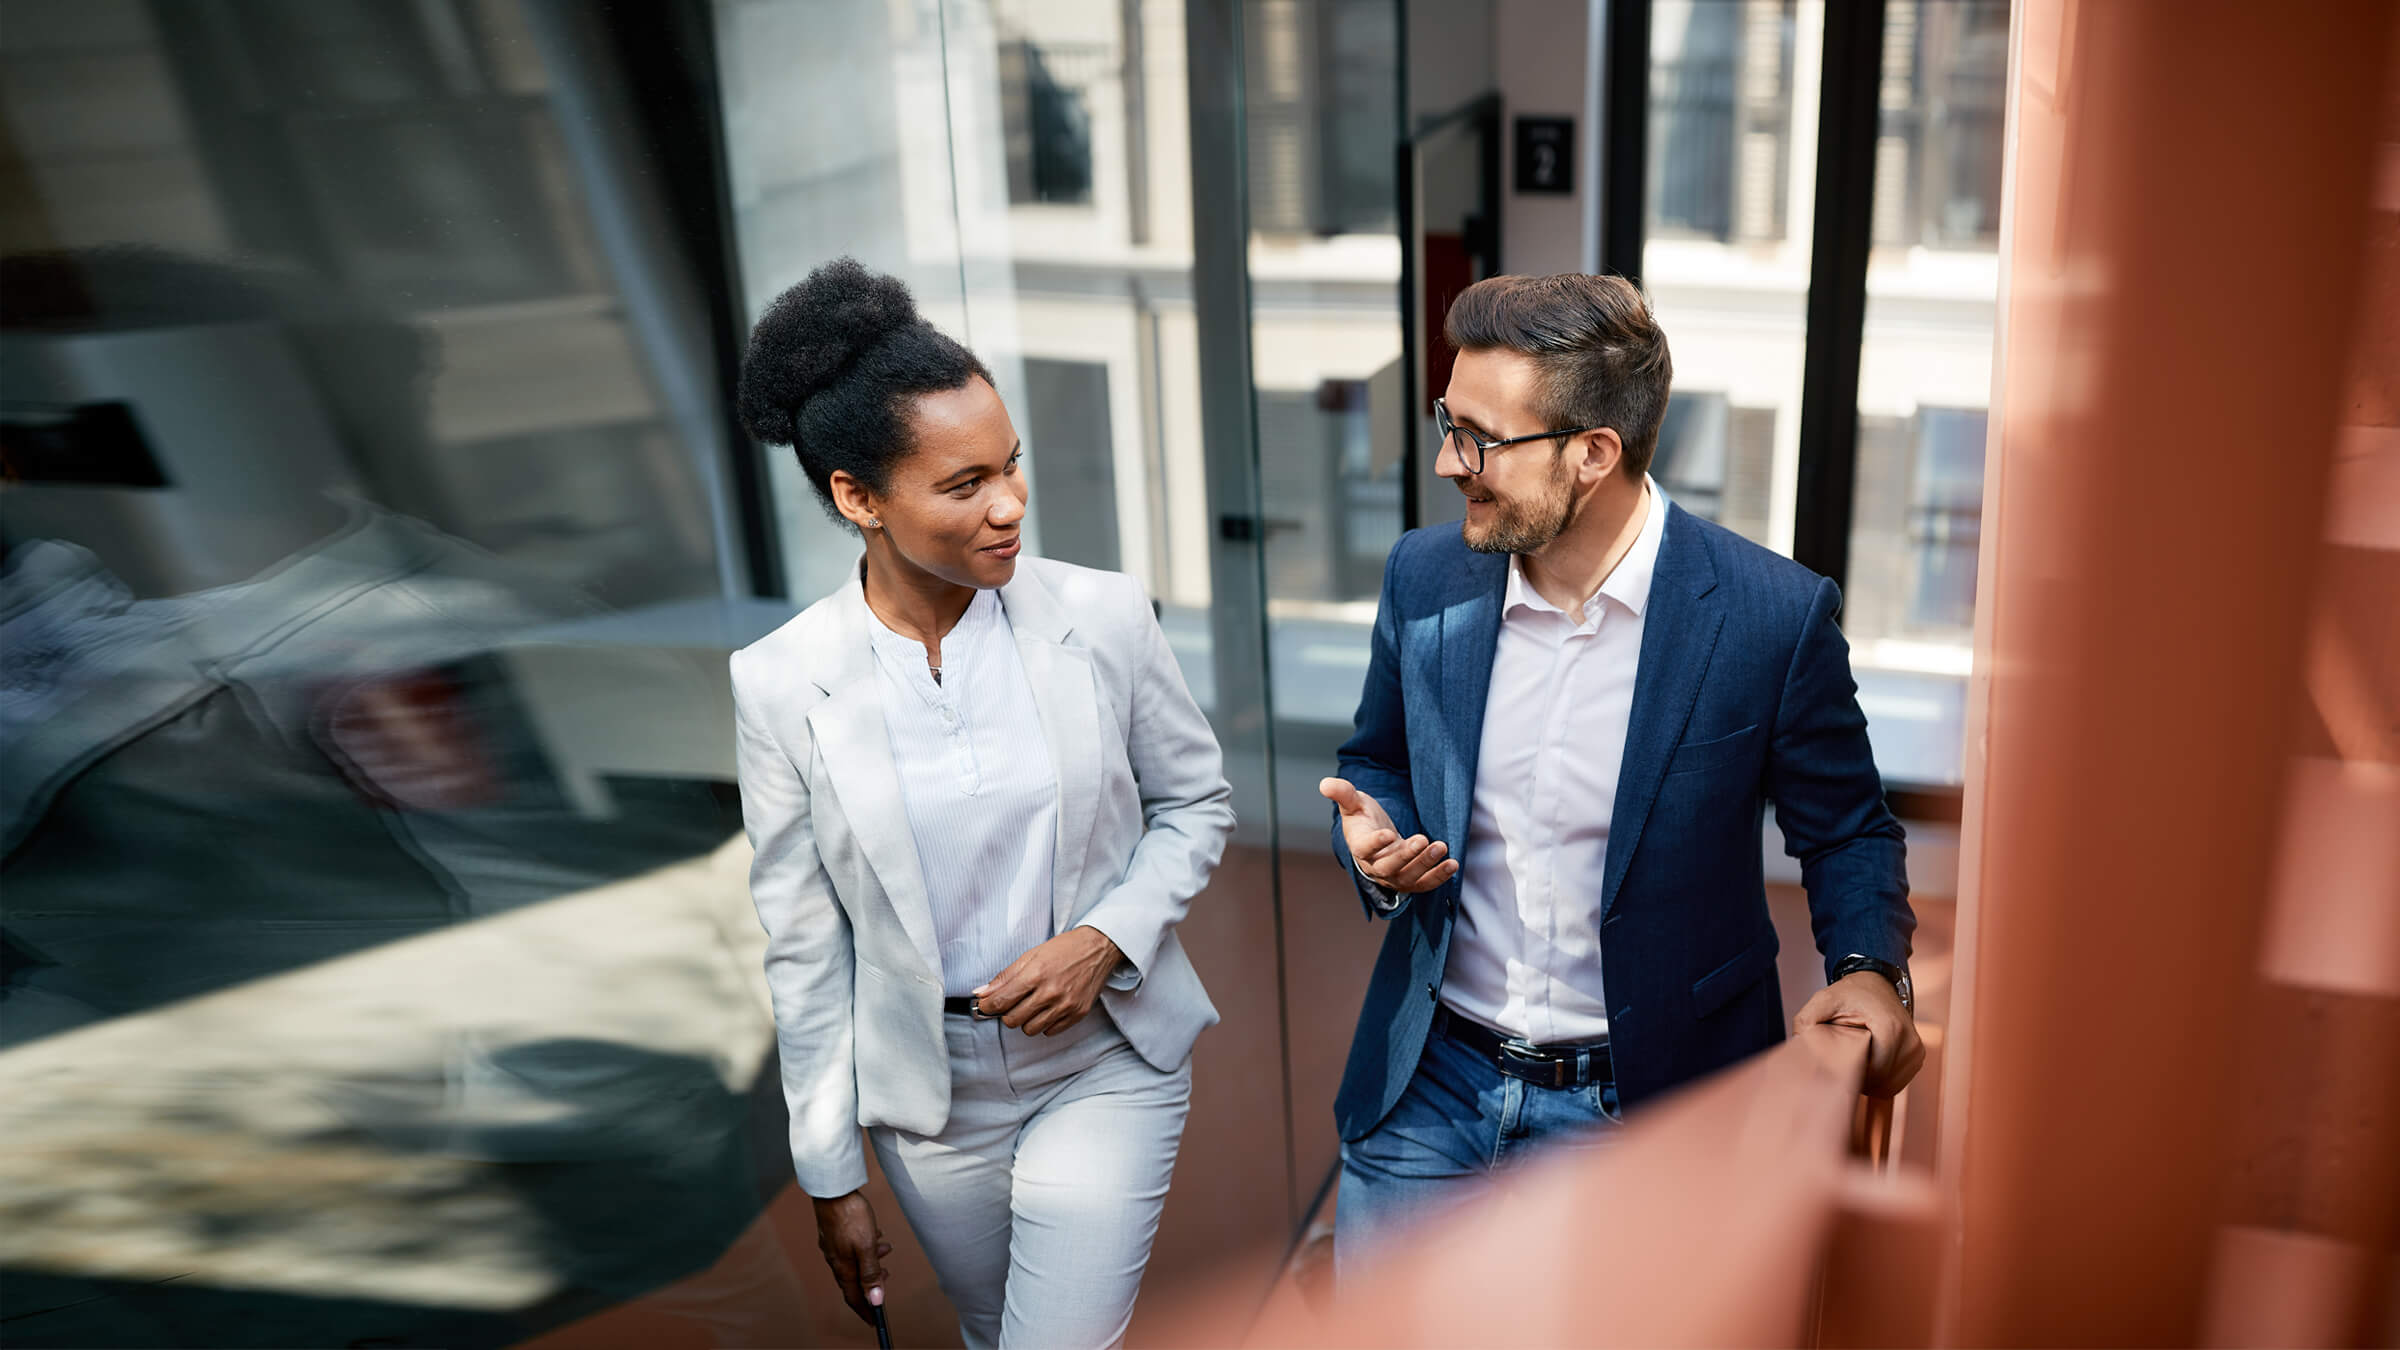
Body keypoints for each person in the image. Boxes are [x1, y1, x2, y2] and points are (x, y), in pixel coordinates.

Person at [1319, 272, 1922, 1270]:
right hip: (1430, 1086)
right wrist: (1373, 836)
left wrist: (1869, 971)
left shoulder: (1771, 618)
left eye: (1480, 439)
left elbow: (1848, 831)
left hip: (1651, 1108)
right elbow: (1376, 756)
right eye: (1447, 423)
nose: (1447, 461)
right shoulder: (1421, 577)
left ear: (1594, 453)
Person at [729, 258, 1232, 1348]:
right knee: (990, 1328)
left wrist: (1105, 937)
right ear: (859, 498)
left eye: (1011, 465)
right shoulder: (779, 683)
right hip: (932, 1100)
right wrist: (829, 1174)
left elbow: (1196, 803)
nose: (1009, 505)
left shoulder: (1102, 617)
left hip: (1106, 1058)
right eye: (964, 485)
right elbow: (804, 943)